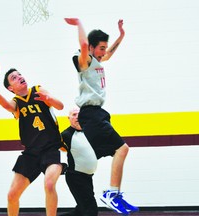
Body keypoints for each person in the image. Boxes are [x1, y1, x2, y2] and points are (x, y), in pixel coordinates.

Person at [64, 18, 139, 215]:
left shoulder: (97, 60)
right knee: (122, 149)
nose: (104, 52)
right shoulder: (84, 61)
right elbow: (82, 45)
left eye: (105, 48)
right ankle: (112, 195)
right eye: (101, 48)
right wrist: (80, 24)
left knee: (107, 155)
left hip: (98, 114)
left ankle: (102, 193)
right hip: (91, 114)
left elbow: (110, 55)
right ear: (90, 47)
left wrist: (121, 36)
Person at [0, 68, 66, 216]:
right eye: (14, 78)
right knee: (12, 195)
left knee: (49, 184)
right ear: (11, 88)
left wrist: (49, 99)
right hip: (31, 153)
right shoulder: (16, 103)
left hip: (52, 148)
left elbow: (60, 106)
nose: (19, 77)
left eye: (19, 74)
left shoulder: (38, 90)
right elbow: (7, 106)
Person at [60, 107, 98, 216]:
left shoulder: (88, 132)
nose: (77, 117)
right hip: (75, 177)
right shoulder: (66, 135)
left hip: (88, 177)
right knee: (90, 209)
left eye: (79, 114)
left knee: (80, 210)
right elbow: (56, 149)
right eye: (74, 114)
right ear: (69, 118)